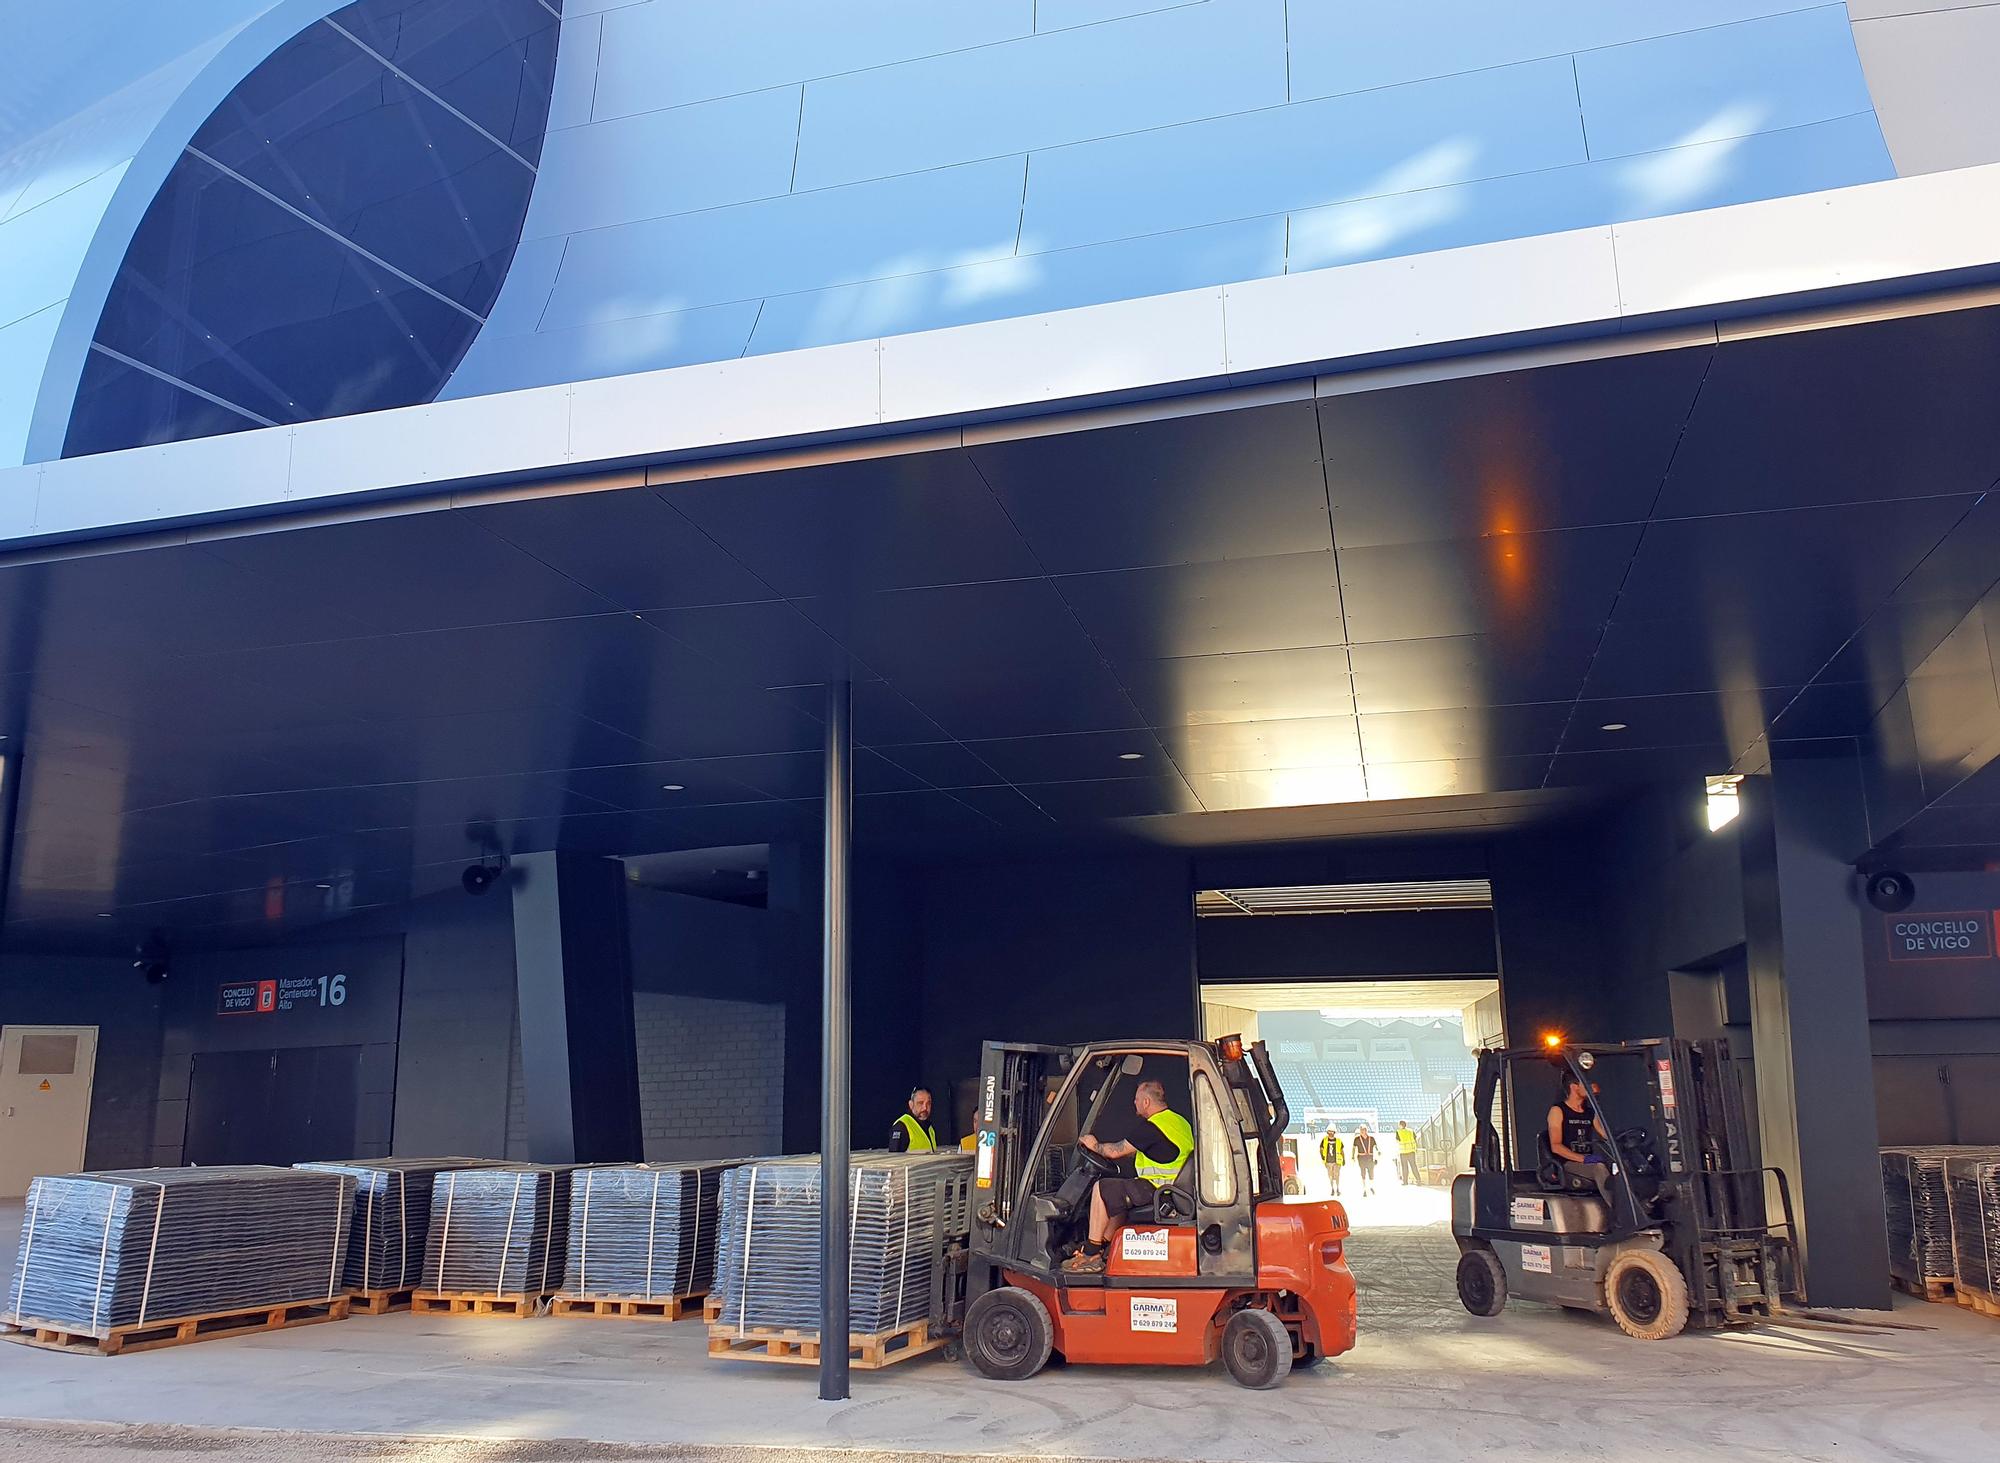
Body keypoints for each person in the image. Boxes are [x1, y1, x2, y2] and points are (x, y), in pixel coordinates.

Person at [1060, 1079, 1193, 1274]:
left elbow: (1114, 1151)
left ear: (1146, 1102)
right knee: (1120, 1194)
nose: (1134, 1103)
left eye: (1137, 1099)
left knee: (1103, 1189)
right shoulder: (1178, 1122)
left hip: (1159, 1190)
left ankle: (1091, 1254)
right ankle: (1106, 1246)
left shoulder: (1152, 1126)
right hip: (1175, 1189)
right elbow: (1161, 1150)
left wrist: (1093, 1144)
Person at [1547, 1073, 1613, 1206]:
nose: (1590, 1087)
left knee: (1620, 1167)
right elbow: (1556, 1146)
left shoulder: (1589, 1112)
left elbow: (1605, 1133)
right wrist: (1583, 1159)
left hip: (1587, 1161)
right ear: (1574, 1087)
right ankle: (1618, 1211)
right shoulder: (1558, 1110)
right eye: (1586, 1084)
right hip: (1568, 1163)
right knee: (1599, 1169)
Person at [888, 1086, 937, 1152]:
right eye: (920, 1103)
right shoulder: (902, 1126)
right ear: (911, 1104)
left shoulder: (930, 1128)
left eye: (928, 1103)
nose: (925, 1108)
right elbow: (894, 1158)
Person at [1352, 1124, 1378, 1196]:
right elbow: (1354, 1148)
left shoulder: (1371, 1138)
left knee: (1371, 1173)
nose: (1362, 1131)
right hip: (1361, 1158)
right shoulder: (1357, 1139)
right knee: (1363, 1173)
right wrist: (1352, 1156)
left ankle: (1371, 1187)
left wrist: (1378, 1153)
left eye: (1364, 1130)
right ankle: (1364, 1189)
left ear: (1366, 1130)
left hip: (1370, 1157)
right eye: (1361, 1130)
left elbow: (1376, 1147)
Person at [1318, 1125, 1344, 1196]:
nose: (1330, 1133)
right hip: (1328, 1161)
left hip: (1337, 1161)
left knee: (1337, 1175)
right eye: (1329, 1131)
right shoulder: (1324, 1140)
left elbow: (1342, 1150)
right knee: (1330, 1176)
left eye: (1332, 1131)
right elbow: (1321, 1149)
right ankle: (1332, 1189)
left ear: (1334, 1132)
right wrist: (1322, 1156)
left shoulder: (1338, 1141)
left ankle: (1338, 1189)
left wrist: (1343, 1159)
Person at [1395, 1119, 1419, 1185]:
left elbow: (1397, 1140)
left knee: (1404, 1168)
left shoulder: (1398, 1132)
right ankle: (1418, 1180)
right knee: (1414, 1166)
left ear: (1400, 1125)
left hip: (1403, 1152)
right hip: (1411, 1151)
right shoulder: (1411, 1131)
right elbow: (1415, 1139)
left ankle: (1405, 1182)